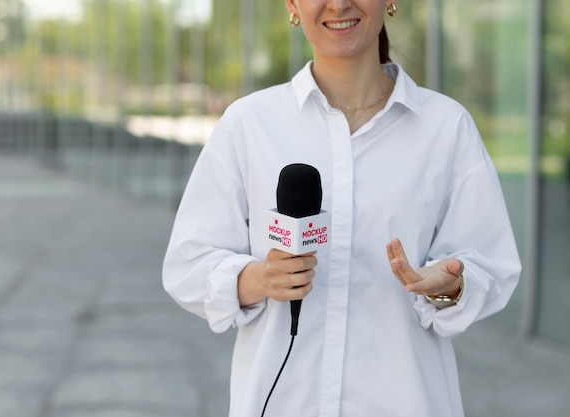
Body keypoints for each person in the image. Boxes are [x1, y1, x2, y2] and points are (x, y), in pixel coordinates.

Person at [162, 1, 521, 416]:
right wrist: (260, 278)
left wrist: (448, 286)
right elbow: (188, 265)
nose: (339, 3)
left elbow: (490, 267)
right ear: (293, 5)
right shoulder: (248, 124)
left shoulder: (446, 127)